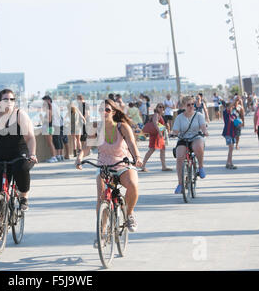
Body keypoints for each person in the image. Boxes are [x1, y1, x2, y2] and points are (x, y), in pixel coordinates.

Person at [76, 99, 143, 241]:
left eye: (107, 109)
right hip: (104, 166)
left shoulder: (122, 127)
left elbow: (131, 143)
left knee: (132, 185)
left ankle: (129, 214)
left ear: (113, 112)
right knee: (101, 198)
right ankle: (102, 231)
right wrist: (80, 157)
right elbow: (88, 146)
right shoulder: (95, 127)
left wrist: (137, 157)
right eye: (101, 110)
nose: (104, 112)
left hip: (123, 164)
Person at [0, 89, 37, 210]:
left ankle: (23, 197)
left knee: (21, 168)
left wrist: (32, 154)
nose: (9, 102)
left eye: (12, 99)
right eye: (5, 99)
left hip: (20, 151)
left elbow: (30, 137)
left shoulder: (20, 115)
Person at [172, 96, 209, 194]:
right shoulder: (179, 117)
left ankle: (200, 167)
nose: (191, 106)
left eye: (192, 104)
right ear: (183, 106)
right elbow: (175, 130)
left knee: (198, 146)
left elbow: (203, 126)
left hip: (196, 136)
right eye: (188, 105)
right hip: (183, 138)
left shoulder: (199, 115)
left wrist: (205, 131)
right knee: (179, 157)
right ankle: (180, 184)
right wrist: (174, 133)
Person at [141, 104, 172, 172]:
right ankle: (143, 165)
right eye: (159, 107)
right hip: (156, 134)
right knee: (152, 149)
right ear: (157, 108)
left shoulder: (160, 115)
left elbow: (160, 124)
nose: (161, 108)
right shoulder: (156, 114)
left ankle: (164, 166)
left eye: (162, 107)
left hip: (158, 135)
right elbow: (155, 123)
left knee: (162, 149)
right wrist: (160, 132)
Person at [41, 95, 64, 163]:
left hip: (49, 127)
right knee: (55, 141)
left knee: (50, 143)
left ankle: (54, 157)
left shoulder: (49, 110)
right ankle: (57, 156)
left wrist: (42, 118)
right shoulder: (54, 107)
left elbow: (49, 119)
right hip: (53, 126)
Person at [222, 103, 238, 169]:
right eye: (229, 107)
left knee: (231, 149)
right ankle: (230, 163)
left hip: (233, 133)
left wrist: (238, 124)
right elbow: (226, 109)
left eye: (231, 107)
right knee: (231, 147)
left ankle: (228, 163)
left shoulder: (234, 115)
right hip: (227, 133)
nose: (231, 108)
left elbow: (236, 123)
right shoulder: (226, 113)